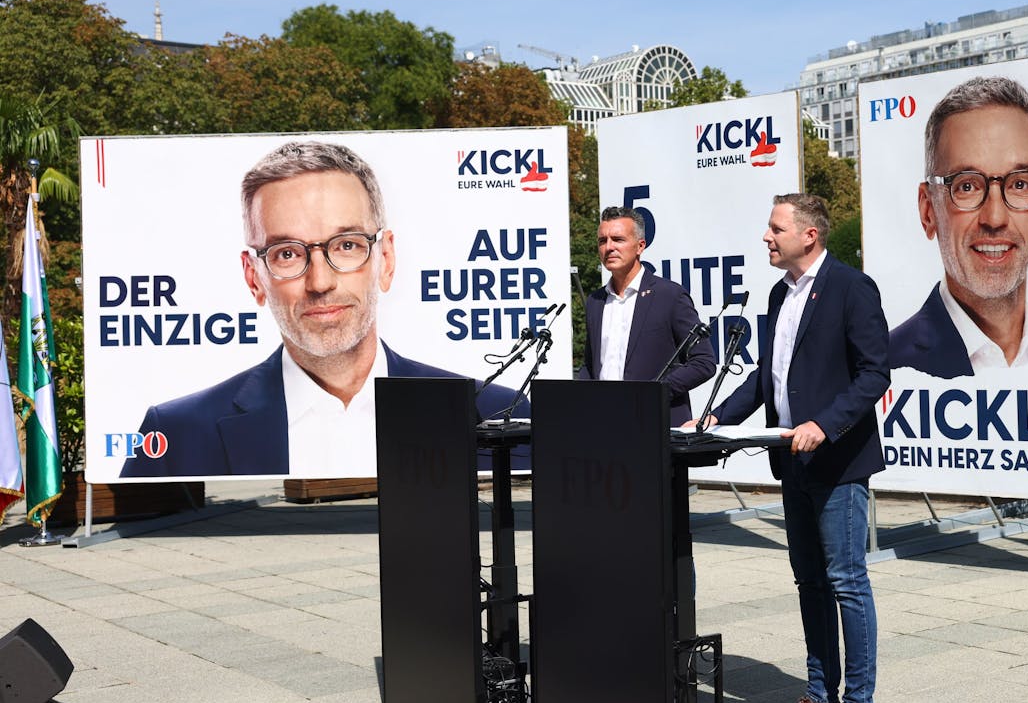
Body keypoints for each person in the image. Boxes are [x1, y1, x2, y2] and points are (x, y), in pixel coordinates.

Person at [121, 140, 527, 478]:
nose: (320, 282)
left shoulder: (498, 416)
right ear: (253, 277)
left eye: (346, 245)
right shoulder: (178, 434)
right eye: (286, 253)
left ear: (385, 260)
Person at [689, 194, 889, 703]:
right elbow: (768, 376)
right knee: (810, 582)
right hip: (790, 460)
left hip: (837, 461)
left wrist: (824, 425)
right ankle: (821, 697)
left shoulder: (852, 288)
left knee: (846, 581)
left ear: (810, 235)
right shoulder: (780, 294)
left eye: (776, 228)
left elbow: (875, 373)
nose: (767, 237)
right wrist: (717, 416)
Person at [889, 75, 1028, 378]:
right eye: (967, 186)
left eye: (1019, 184)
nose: (994, 217)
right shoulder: (877, 373)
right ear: (928, 209)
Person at [577, 207, 716, 423]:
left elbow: (704, 362)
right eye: (602, 241)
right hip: (603, 425)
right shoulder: (596, 301)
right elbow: (590, 364)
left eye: (618, 239)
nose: (609, 247)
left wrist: (654, 393)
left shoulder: (669, 295)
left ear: (640, 246)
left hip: (656, 422)